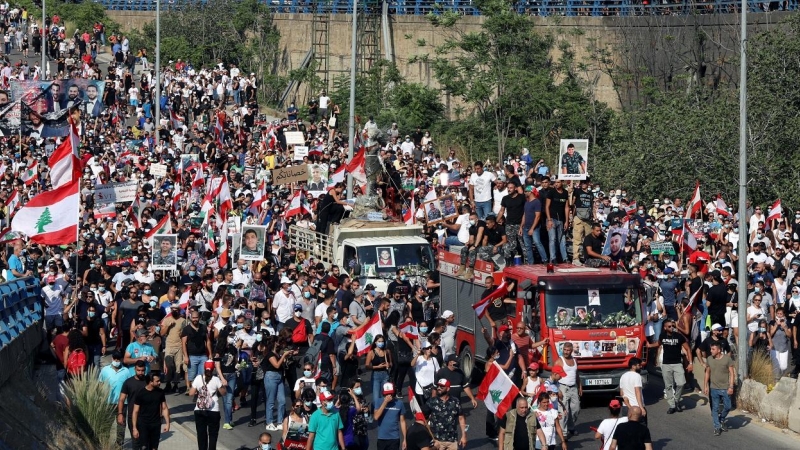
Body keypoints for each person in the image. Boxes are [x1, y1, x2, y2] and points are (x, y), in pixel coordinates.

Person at [646, 318, 692, 414]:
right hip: (666, 364)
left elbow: (687, 349)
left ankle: (676, 400)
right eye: (670, 326)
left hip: (677, 363)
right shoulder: (662, 335)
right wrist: (650, 345)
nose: (672, 328)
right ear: (665, 328)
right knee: (668, 386)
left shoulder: (679, 336)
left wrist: (690, 363)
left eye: (673, 326)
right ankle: (672, 405)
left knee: (681, 383)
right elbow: (659, 344)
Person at [99, 351, 132, 449]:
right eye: (115, 359)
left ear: (121, 359)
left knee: (121, 426)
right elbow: (100, 384)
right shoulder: (105, 370)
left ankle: (119, 445)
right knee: (107, 424)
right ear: (112, 359)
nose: (116, 361)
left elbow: (129, 386)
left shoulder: (126, 371)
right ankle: (106, 444)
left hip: (122, 403)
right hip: (108, 402)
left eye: (118, 359)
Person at [190, 359, 226, 450]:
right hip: (213, 411)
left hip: (199, 410)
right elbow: (223, 393)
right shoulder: (216, 379)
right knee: (213, 435)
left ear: (204, 367)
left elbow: (191, 393)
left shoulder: (198, 378)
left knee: (201, 434)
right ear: (213, 369)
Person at [704, 341, 736, 436]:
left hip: (725, 388)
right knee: (715, 408)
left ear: (719, 350)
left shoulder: (727, 359)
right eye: (710, 349)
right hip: (713, 388)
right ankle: (717, 427)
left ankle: (721, 420)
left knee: (728, 406)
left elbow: (732, 373)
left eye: (713, 349)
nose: (711, 351)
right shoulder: (709, 359)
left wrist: (731, 386)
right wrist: (705, 386)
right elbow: (707, 373)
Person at [131, 372, 170, 450]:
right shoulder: (141, 393)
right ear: (151, 382)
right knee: (144, 447)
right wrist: (134, 428)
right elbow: (135, 411)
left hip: (156, 424)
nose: (159, 382)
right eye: (157, 381)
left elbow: (164, 408)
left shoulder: (160, 392)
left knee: (154, 448)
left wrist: (167, 423)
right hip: (143, 424)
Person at [426, 379, 467, 450]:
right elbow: (424, 419)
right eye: (438, 386)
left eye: (442, 387)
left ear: (448, 389)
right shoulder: (431, 402)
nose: (439, 388)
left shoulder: (455, 401)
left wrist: (464, 435)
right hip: (437, 441)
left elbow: (461, 418)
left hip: (452, 441)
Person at [552, 342, 580, 438]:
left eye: (568, 350)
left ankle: (571, 427)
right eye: (564, 350)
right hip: (562, 387)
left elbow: (576, 374)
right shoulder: (559, 361)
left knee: (576, 409)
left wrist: (580, 386)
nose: (566, 352)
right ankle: (563, 433)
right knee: (564, 412)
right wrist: (557, 390)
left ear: (571, 351)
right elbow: (554, 377)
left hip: (573, 387)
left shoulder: (575, 360)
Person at [117, 361, 148, 450]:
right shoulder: (128, 382)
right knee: (136, 441)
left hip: (146, 416)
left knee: (145, 442)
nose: (140, 373)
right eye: (138, 370)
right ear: (134, 369)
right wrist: (120, 414)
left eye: (142, 370)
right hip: (132, 416)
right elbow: (122, 399)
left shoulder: (148, 381)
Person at [374, 382, 407, 450]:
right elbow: (376, 417)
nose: (389, 396)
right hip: (382, 438)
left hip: (394, 438)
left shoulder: (399, 403)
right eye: (387, 394)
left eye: (390, 393)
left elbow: (403, 422)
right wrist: (385, 403)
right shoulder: (378, 402)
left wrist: (405, 439)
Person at [619, 358, 645, 422]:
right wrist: (641, 408)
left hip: (625, 407)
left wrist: (628, 405)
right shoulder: (637, 376)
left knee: (626, 429)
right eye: (639, 365)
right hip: (636, 407)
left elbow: (621, 393)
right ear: (633, 366)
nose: (640, 367)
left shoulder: (623, 376)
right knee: (640, 429)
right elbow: (637, 392)